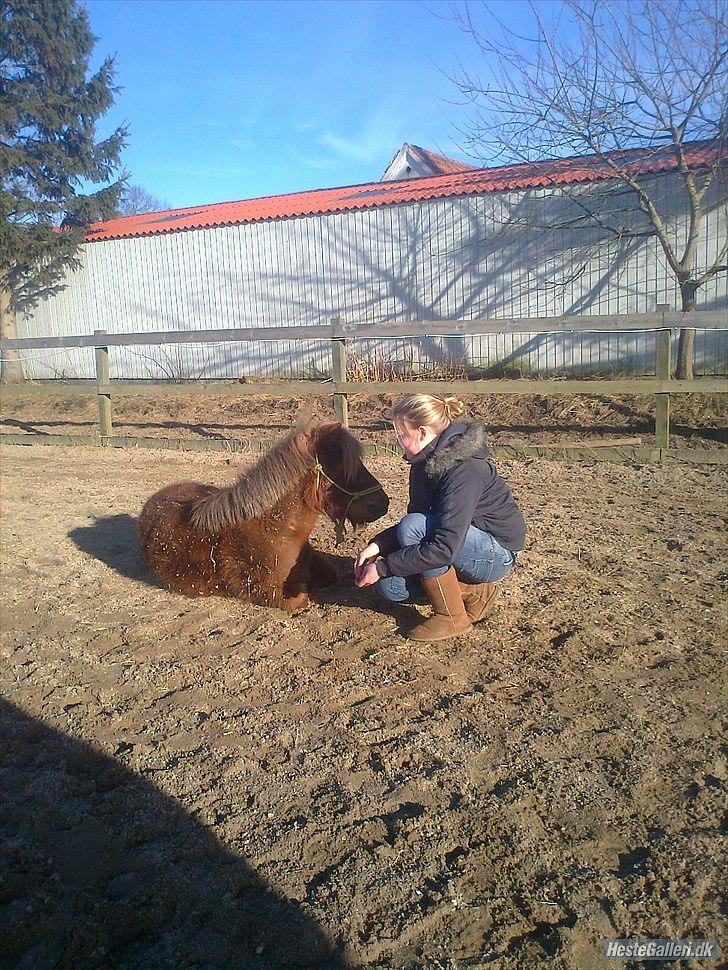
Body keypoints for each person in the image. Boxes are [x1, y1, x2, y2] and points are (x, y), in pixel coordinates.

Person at [354, 393, 526, 642]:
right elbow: (420, 523)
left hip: (496, 552)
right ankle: (477, 594)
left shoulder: (465, 469)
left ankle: (452, 617)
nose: (398, 441)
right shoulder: (422, 463)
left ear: (422, 433)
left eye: (402, 435)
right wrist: (377, 546)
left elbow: (439, 544)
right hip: (457, 543)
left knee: (412, 531)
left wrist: (382, 566)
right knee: (389, 587)